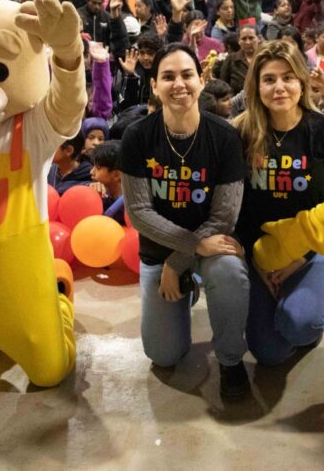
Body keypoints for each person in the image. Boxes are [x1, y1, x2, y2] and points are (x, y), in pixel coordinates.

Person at [119, 43, 250, 398]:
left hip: (209, 246)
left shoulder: (224, 137)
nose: (179, 84)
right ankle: (187, 290)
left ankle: (230, 361)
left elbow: (225, 214)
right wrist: (186, 249)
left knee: (227, 270)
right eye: (168, 76)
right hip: (159, 252)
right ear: (154, 86)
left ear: (201, 80)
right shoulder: (137, 137)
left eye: (187, 74)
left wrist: (179, 261)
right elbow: (139, 213)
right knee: (163, 355)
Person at [233, 41, 324, 366]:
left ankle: (305, 314)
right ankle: (280, 303)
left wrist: (300, 258)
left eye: (288, 78)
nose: (279, 87)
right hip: (258, 249)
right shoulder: (240, 133)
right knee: (269, 353)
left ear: (302, 81)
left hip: (316, 244)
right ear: (257, 86)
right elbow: (234, 206)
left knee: (299, 326)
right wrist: (258, 263)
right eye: (269, 79)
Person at [89, 140, 125, 224]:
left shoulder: (132, 205)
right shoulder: (97, 193)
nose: (91, 172)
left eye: (98, 168)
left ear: (116, 174)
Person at [217, 26, 259, 95]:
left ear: (258, 39)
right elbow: (224, 84)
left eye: (251, 38)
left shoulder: (264, 58)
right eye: (244, 39)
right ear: (239, 41)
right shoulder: (231, 59)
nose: (248, 42)